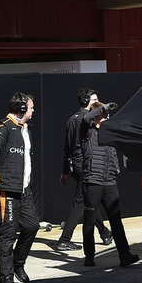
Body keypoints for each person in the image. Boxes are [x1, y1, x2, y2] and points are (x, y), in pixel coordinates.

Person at [0, 92, 38, 283]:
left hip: (23, 189)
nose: (33, 111)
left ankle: (17, 264)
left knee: (32, 226)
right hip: (6, 189)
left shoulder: (25, 129)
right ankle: (5, 278)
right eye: (31, 107)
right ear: (22, 108)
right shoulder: (2, 127)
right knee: (7, 234)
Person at [80, 101, 139, 267]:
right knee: (90, 220)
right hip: (93, 180)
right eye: (104, 114)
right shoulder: (87, 131)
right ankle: (89, 256)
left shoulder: (109, 132)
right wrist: (102, 108)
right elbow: (86, 118)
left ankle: (124, 255)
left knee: (116, 220)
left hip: (109, 181)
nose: (107, 116)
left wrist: (116, 170)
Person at [57, 88, 112, 251]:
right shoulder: (88, 120)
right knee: (81, 202)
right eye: (95, 98)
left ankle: (105, 233)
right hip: (85, 164)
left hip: (75, 165)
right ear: (88, 101)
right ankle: (64, 239)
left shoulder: (71, 119)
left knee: (90, 200)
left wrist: (66, 171)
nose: (98, 101)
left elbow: (67, 148)